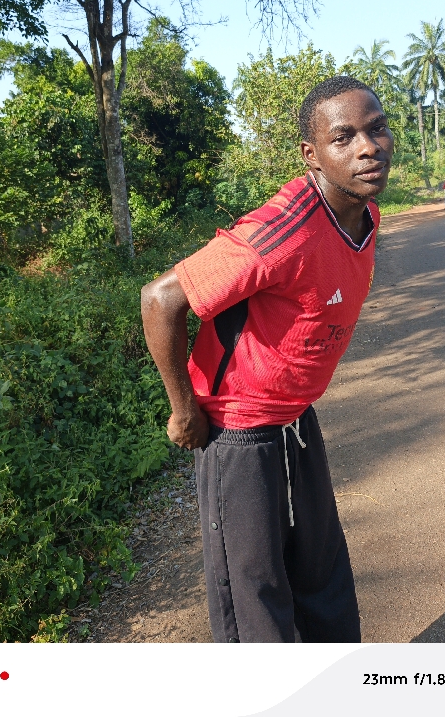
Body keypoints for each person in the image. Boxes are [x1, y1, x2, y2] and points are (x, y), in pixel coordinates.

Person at [140, 76, 393, 643]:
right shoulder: (281, 230)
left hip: (296, 421)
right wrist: (183, 410)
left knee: (322, 574)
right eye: (344, 137)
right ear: (312, 154)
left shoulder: (364, 214)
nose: (368, 148)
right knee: (254, 597)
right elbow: (160, 299)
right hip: (238, 435)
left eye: (376, 129)